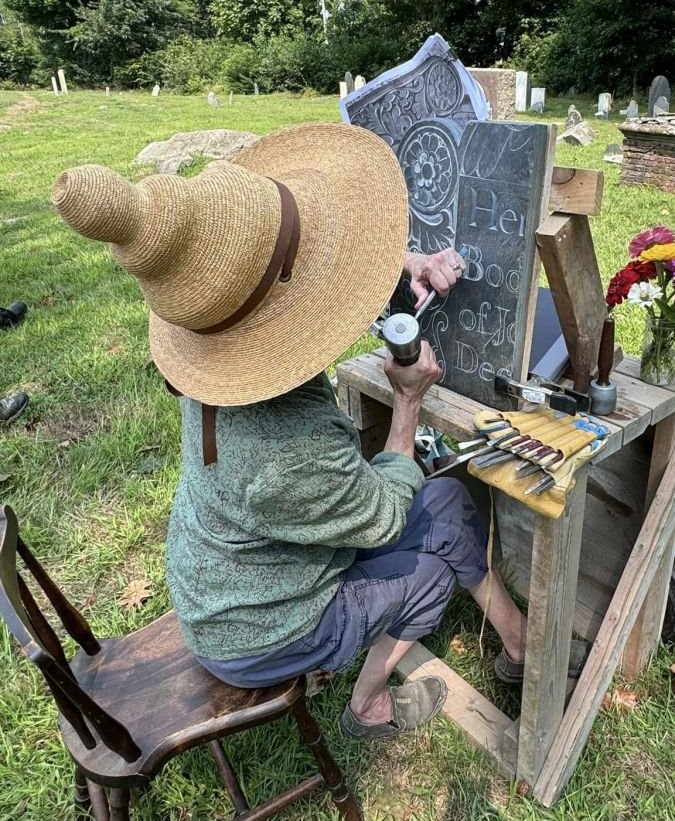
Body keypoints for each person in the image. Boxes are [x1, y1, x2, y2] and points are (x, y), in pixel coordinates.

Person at [52, 123, 584, 740]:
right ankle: (369, 705)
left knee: (443, 499)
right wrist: (407, 403)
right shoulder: (289, 453)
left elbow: (301, 276)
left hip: (225, 576)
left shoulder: (220, 354)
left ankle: (517, 642)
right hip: (262, 635)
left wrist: (407, 265)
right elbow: (382, 516)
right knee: (430, 573)